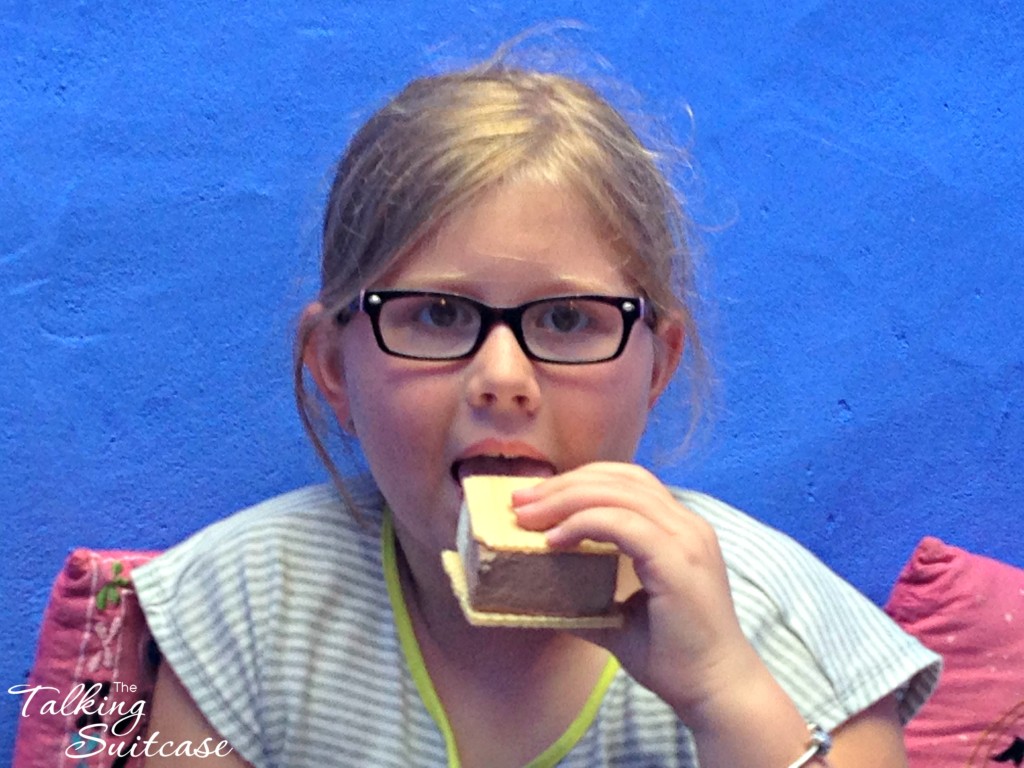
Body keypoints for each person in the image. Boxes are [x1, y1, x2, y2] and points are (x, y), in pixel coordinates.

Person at [133, 46, 940, 768]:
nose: (503, 377)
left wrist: (728, 703)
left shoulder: (787, 634)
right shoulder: (239, 609)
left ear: (656, 365)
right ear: (335, 371)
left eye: (565, 320)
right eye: (438, 315)